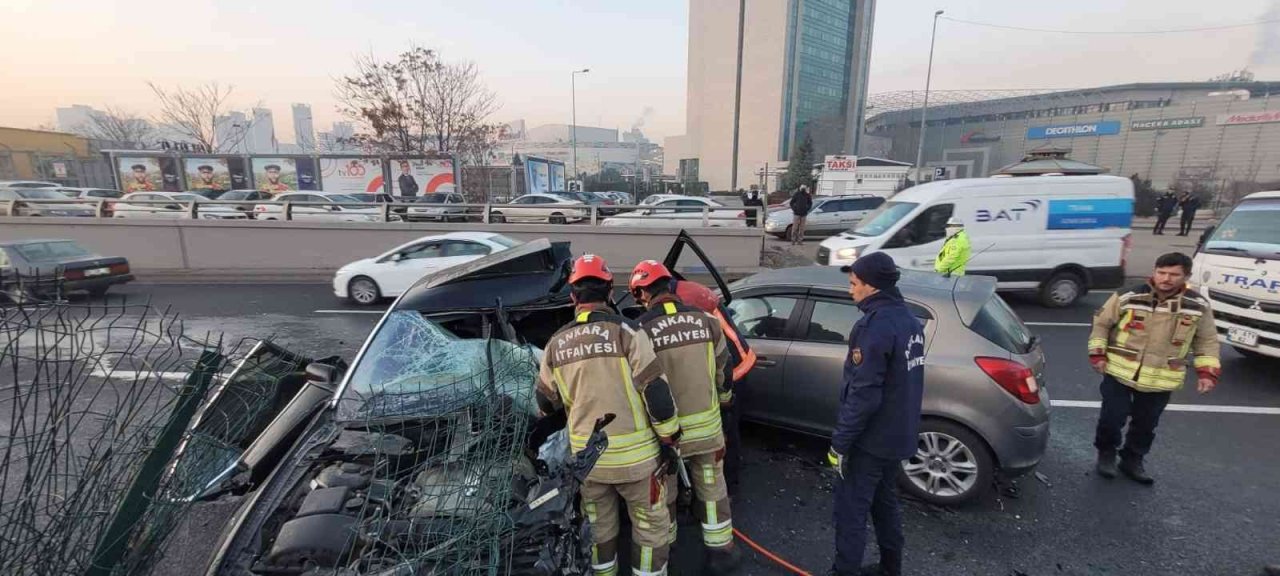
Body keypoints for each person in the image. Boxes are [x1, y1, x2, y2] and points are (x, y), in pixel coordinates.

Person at [536, 254, 680, 576]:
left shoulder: (556, 344)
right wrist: (669, 440)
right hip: (638, 464)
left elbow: (545, 404)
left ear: (573, 296)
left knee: (599, 531)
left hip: (590, 465)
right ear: (610, 291)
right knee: (649, 529)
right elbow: (656, 392)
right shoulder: (627, 332)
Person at [630, 261, 741, 574]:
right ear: (670, 286)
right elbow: (725, 370)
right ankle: (722, 554)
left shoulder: (640, 330)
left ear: (641, 293)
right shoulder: (707, 321)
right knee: (712, 488)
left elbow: (643, 386)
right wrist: (725, 402)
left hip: (669, 435)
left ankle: (670, 549)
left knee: (665, 495)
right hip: (708, 430)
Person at [827, 252, 925, 576]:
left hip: (870, 442)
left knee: (851, 513)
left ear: (871, 287)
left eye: (854, 283)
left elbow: (864, 394)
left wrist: (840, 444)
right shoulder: (909, 321)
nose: (850, 290)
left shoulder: (873, 327)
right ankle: (890, 568)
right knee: (885, 506)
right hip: (898, 437)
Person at [1088, 252, 1220, 485]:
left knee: (1146, 423)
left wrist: (1207, 372)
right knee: (1111, 418)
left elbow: (1207, 341)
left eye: (1174, 274)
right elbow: (1101, 325)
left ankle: (1132, 459)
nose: (1166, 278)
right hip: (1119, 371)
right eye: (1162, 272)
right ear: (1154, 271)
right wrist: (1098, 355)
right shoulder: (1128, 295)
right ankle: (1106, 454)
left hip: (1161, 378)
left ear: (1186, 276)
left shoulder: (1197, 306)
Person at [673, 278, 756, 495]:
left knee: (726, 431)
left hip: (733, 370)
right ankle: (730, 475)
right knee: (731, 426)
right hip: (740, 362)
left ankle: (729, 483)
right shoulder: (690, 289)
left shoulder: (685, 302)